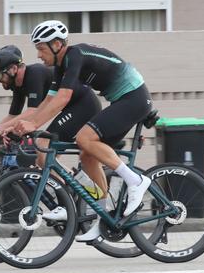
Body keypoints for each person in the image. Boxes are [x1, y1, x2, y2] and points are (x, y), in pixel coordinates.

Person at [14, 20, 152, 242]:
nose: (38, 55)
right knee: (87, 156)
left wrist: (34, 125)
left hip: (133, 98)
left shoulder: (74, 55)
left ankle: (135, 181)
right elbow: (48, 101)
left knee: (84, 137)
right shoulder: (61, 67)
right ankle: (104, 216)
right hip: (122, 101)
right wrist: (25, 124)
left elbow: (63, 98)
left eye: (41, 48)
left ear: (57, 44)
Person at [0, 44, 102, 221]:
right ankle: (73, 188)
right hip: (69, 109)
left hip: (83, 106)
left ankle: (76, 192)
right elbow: (13, 116)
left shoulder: (35, 73)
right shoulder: (18, 85)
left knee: (43, 148)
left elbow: (32, 113)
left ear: (14, 69)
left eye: (0, 74)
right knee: (41, 159)